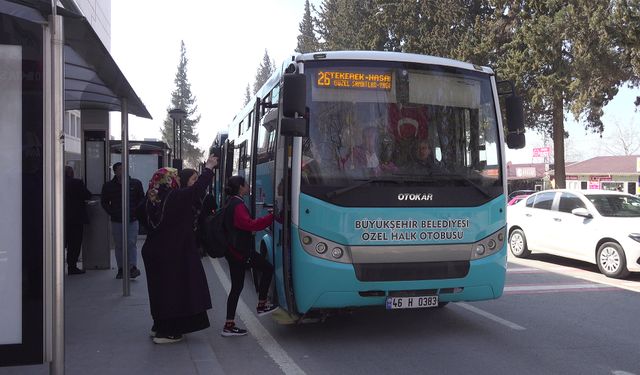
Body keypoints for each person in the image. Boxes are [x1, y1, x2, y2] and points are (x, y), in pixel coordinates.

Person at [136, 155, 218, 344]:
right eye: (177, 178)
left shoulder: (149, 200)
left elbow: (140, 215)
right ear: (169, 181)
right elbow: (197, 190)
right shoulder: (174, 197)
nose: (180, 181)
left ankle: (158, 326)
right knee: (174, 292)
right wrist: (209, 168)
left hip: (152, 252)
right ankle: (169, 332)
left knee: (158, 291)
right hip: (173, 253)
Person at [222, 175, 278, 337]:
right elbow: (249, 224)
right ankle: (262, 305)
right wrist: (271, 217)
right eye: (246, 184)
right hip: (240, 252)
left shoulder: (230, 202)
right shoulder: (238, 204)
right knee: (268, 268)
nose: (249, 186)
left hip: (234, 251)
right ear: (240, 187)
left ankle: (229, 324)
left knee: (237, 287)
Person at [100, 162, 145, 279]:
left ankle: (132, 267)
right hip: (117, 220)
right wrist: (112, 212)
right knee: (119, 245)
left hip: (132, 219)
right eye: (120, 169)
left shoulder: (135, 183)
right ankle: (121, 268)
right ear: (115, 171)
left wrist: (135, 211)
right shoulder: (109, 186)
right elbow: (104, 202)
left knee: (131, 243)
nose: (122, 171)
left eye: (124, 169)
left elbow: (142, 199)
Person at [179, 168, 217, 256]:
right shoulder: (179, 197)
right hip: (182, 242)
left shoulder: (199, 196)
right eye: (194, 179)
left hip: (194, 239)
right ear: (185, 180)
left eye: (197, 179)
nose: (197, 182)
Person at [64, 166, 92, 275]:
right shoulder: (77, 183)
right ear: (71, 173)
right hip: (76, 218)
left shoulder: (54, 182)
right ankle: (72, 266)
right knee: (74, 244)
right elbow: (87, 195)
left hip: (60, 219)